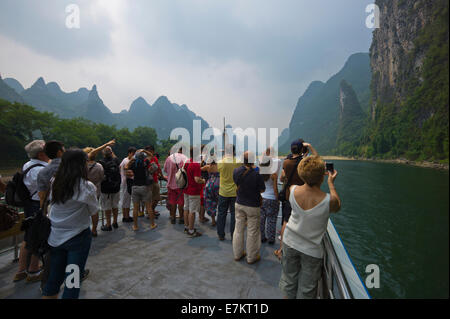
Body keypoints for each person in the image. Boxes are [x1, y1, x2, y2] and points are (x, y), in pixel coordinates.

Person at [279, 155, 340, 299]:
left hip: (289, 242)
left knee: (289, 282)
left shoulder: (293, 190)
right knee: (306, 290)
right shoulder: (328, 201)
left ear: (302, 173)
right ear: (322, 177)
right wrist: (331, 183)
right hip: (311, 251)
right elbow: (337, 205)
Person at [42, 149, 98, 299]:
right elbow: (94, 210)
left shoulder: (55, 182)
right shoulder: (86, 186)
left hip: (55, 238)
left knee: (53, 279)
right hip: (77, 239)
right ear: (81, 165)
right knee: (72, 281)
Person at [274, 139, 318, 259]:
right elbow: (317, 160)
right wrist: (309, 146)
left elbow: (282, 178)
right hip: (302, 197)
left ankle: (281, 250)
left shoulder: (286, 162)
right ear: (301, 149)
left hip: (289, 196)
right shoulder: (304, 162)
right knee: (301, 223)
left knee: (286, 222)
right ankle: (299, 251)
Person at [13, 140, 49, 283]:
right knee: (38, 237)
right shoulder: (42, 170)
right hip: (39, 205)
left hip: (28, 205)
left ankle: (21, 270)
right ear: (41, 154)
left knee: (28, 236)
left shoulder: (27, 165)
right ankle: (33, 270)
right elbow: (46, 192)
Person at [232, 151, 265, 264]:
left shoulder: (236, 171)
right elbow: (262, 189)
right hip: (252, 206)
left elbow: (236, 182)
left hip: (239, 203)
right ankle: (251, 257)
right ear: (253, 160)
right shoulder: (256, 174)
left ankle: (237, 254)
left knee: (238, 229)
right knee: (252, 231)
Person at [127, 150, 157, 231]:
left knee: (135, 208)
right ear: (143, 157)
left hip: (135, 187)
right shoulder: (145, 162)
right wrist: (144, 150)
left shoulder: (133, 164)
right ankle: (152, 224)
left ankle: (135, 226)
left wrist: (131, 159)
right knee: (149, 207)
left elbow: (126, 167)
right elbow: (151, 155)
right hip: (145, 187)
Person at [216, 144, 241, 241]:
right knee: (234, 215)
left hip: (223, 192)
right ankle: (233, 235)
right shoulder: (238, 162)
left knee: (222, 213)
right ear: (234, 151)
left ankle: (221, 234)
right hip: (235, 193)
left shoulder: (221, 162)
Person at [183, 146, 205, 237]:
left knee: (186, 208)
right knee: (192, 211)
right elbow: (196, 179)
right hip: (194, 191)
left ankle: (186, 227)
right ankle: (191, 231)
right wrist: (203, 181)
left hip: (186, 189)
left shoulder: (187, 162)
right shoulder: (196, 164)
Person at [98, 146, 122, 232]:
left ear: (103, 154)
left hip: (105, 188)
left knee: (106, 206)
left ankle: (108, 224)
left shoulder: (101, 162)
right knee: (115, 205)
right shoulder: (116, 160)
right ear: (111, 153)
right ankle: (115, 222)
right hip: (116, 187)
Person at [83, 147, 105, 237]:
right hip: (96, 190)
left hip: (84, 190)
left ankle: (85, 229)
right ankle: (94, 229)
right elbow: (102, 177)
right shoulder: (99, 166)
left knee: (84, 211)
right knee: (94, 210)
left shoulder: (82, 166)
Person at [163, 148, 187, 224]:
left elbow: (165, 170)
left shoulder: (168, 158)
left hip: (170, 184)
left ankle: (173, 217)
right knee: (181, 202)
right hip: (180, 184)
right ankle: (181, 217)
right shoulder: (183, 158)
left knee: (172, 202)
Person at [260, 157, 279, 245]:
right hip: (271, 198)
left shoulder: (259, 173)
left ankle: (262, 237)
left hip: (262, 198)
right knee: (271, 219)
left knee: (261, 219)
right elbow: (275, 188)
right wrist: (277, 199)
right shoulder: (273, 174)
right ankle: (271, 238)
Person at [119, 147, 136, 223]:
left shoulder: (124, 160)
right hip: (127, 182)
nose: (133, 155)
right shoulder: (127, 161)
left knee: (125, 199)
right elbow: (129, 173)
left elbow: (120, 167)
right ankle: (126, 216)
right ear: (129, 153)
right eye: (133, 153)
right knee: (126, 199)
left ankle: (125, 216)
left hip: (124, 181)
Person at [202, 158, 220, 227]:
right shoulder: (219, 166)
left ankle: (213, 220)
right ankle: (220, 218)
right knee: (219, 201)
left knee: (211, 202)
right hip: (218, 185)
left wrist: (202, 162)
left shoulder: (207, 167)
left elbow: (200, 169)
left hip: (209, 185)